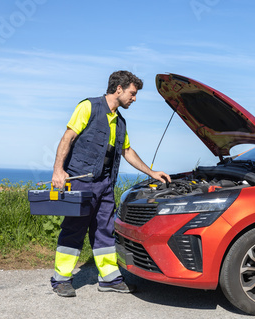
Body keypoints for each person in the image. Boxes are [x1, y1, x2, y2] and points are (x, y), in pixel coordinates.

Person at [50, 70, 171, 297]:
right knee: (74, 229)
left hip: (106, 184)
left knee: (105, 230)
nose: (134, 99)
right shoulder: (89, 107)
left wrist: (152, 172)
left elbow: (126, 151)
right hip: (81, 182)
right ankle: (61, 279)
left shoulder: (121, 122)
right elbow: (68, 137)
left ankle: (108, 278)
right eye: (132, 93)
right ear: (119, 89)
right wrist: (58, 170)